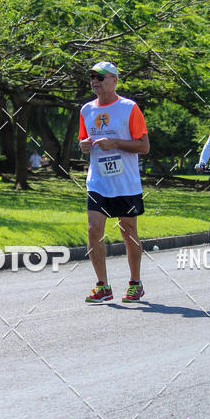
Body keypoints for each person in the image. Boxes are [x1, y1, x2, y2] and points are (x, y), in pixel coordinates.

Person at [78, 61, 150, 305]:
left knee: (127, 231)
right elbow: (83, 140)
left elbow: (144, 146)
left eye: (100, 76)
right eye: (92, 77)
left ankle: (135, 283)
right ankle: (102, 285)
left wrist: (116, 142)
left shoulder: (129, 108)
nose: (94, 80)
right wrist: (84, 145)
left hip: (125, 183)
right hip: (98, 181)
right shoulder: (86, 110)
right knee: (93, 229)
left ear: (114, 80)